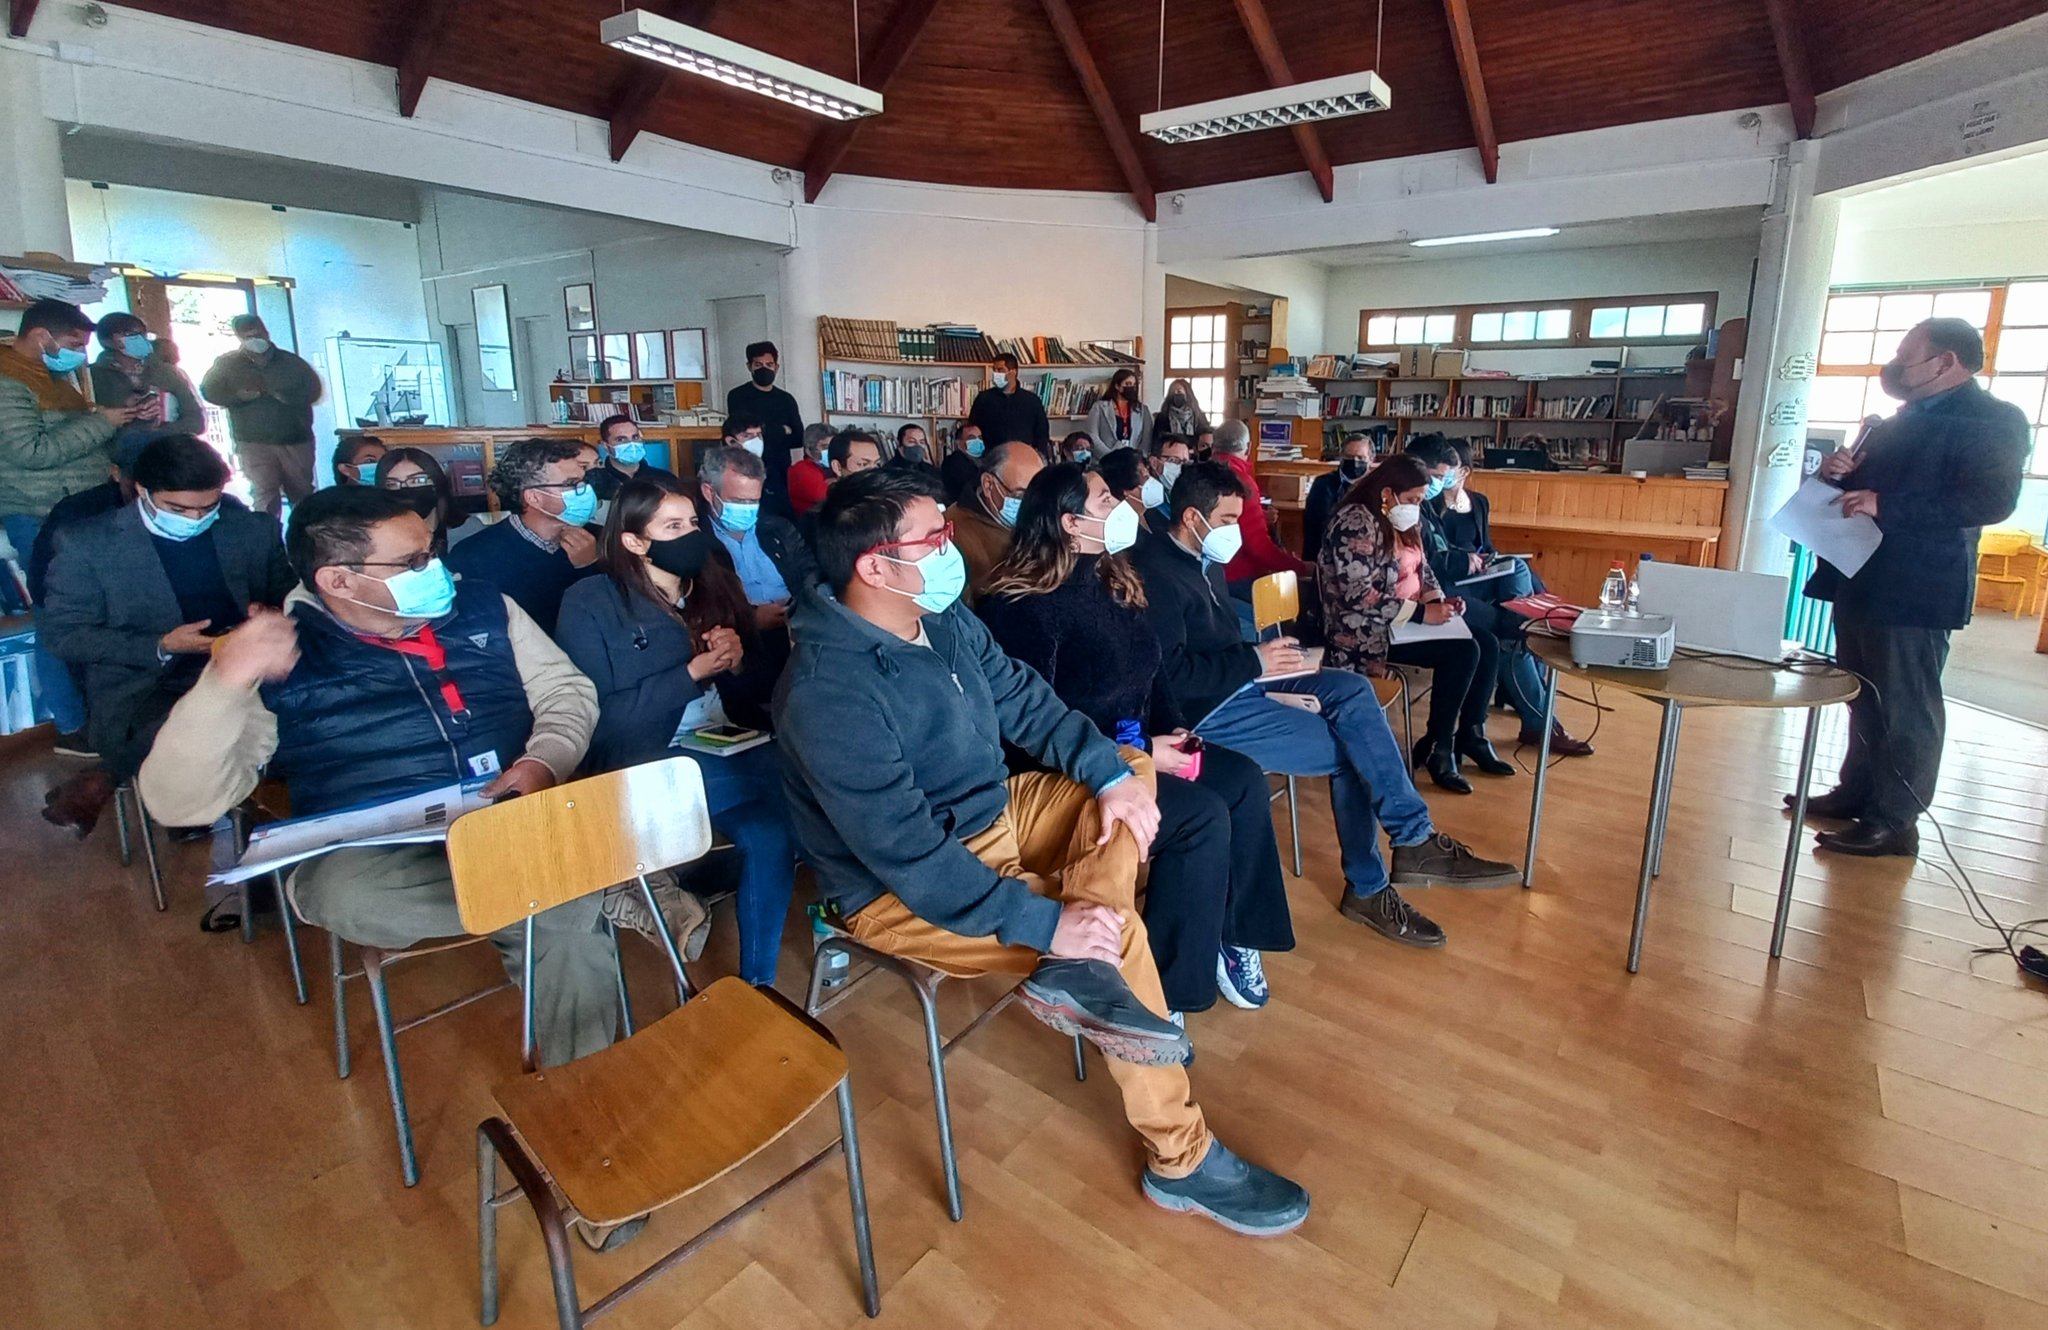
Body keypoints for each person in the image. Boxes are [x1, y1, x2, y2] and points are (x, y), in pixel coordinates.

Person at [776, 467, 1310, 1236]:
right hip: (898, 890)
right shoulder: (827, 693)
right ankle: (1183, 1159)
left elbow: (1025, 697)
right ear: (875, 565)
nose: (952, 546)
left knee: (1126, 768)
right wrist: (1040, 921)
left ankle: (1080, 966)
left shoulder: (941, 615)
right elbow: (910, 856)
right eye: (935, 537)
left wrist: (1106, 777)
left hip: (997, 812)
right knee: (1112, 931)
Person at [136, 486, 617, 1070]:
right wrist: (224, 683)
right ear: (337, 580)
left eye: (432, 552)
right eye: (413, 563)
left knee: (563, 908)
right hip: (378, 856)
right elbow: (178, 804)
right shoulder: (279, 655)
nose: (436, 569)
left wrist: (544, 760)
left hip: (506, 818)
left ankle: (588, 1092)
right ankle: (563, 890)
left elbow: (565, 692)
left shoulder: (486, 606)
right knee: (342, 893)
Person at [1132, 461, 1518, 948]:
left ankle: (1413, 838)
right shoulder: (1158, 576)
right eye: (1229, 521)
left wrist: (1267, 658)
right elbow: (1172, 679)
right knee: (1355, 751)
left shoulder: (1198, 559)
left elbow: (1218, 639)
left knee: (1354, 693)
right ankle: (1371, 885)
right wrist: (1255, 662)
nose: (1235, 532)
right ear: (1192, 517)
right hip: (1209, 711)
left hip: (1246, 679)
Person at [979, 464, 1294, 1014]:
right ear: (1070, 523)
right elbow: (1035, 723)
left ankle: (1233, 931)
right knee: (1197, 818)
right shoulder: (1021, 605)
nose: (1125, 507)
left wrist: (1173, 730)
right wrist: (1146, 753)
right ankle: (1165, 992)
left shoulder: (1113, 576)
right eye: (1106, 501)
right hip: (1067, 773)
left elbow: (1154, 671)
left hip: (1138, 746)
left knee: (1241, 778)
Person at [1796, 317, 2028, 858]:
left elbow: (1991, 500)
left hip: (1918, 584)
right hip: (1861, 571)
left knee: (1906, 704)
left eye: (1908, 355)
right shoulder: (1896, 421)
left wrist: (1887, 504)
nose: (1897, 366)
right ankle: (1856, 791)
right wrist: (1838, 473)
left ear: (1946, 362)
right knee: (1862, 696)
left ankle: (1895, 821)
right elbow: (1860, 488)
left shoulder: (1993, 419)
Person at [555, 475, 796, 985]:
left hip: (729, 743)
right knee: (792, 786)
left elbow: (758, 680)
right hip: (643, 759)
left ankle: (759, 983)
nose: (690, 535)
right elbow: (600, 718)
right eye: (672, 526)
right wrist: (690, 674)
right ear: (634, 541)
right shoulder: (591, 601)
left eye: (691, 523)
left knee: (773, 829)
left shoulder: (713, 582)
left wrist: (734, 660)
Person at [40, 434, 295, 841]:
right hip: (147, 681)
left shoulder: (250, 529)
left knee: (292, 722)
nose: (195, 518)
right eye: (178, 509)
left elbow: (288, 594)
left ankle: (106, 776)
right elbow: (65, 636)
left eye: (207, 507)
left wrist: (269, 612)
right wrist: (162, 644)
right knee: (191, 720)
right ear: (142, 490)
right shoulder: (88, 543)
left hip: (248, 667)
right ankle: (257, 849)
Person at [1317, 455, 1512, 794]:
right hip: (1364, 630)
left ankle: (1471, 734)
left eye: (1421, 500)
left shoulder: (1402, 517)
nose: (1417, 506)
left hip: (1402, 619)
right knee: (1463, 652)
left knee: (1488, 644)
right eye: (1413, 500)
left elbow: (1423, 568)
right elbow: (1355, 595)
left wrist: (1436, 599)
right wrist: (1422, 614)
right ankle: (1440, 747)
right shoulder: (1355, 522)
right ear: (1387, 492)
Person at [1, 297, 144, 754]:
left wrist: (113, 423)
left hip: (75, 508)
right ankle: (71, 723)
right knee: (57, 619)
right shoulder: (7, 382)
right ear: (41, 335)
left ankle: (101, 712)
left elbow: (64, 438)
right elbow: (32, 453)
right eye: (72, 343)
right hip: (41, 514)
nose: (78, 353)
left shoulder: (51, 376)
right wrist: (101, 423)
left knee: (93, 614)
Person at [1426, 438, 1592, 757]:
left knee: (1517, 568)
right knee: (1515, 635)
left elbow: (1486, 546)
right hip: (1448, 587)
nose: (1445, 479)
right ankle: (1540, 721)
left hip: (1480, 579)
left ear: (1465, 472)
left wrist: (1489, 561)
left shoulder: (1479, 502)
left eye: (1452, 472)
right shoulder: (1427, 506)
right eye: (1440, 473)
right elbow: (1434, 560)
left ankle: (1525, 626)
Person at [444, 437, 600, 636]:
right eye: (571, 484)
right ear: (534, 497)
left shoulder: (599, 537)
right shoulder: (473, 556)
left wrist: (590, 566)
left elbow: (616, 615)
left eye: (583, 481)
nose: (585, 491)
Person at [199, 314, 323, 516]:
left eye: (258, 334)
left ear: (266, 332)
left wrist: (287, 397)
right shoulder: (227, 364)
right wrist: (238, 396)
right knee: (264, 493)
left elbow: (314, 391)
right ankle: (268, 540)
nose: (255, 339)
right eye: (248, 336)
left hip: (295, 440)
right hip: (253, 441)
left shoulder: (292, 362)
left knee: (302, 493)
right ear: (239, 337)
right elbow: (209, 391)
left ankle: (306, 538)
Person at [697, 444, 813, 631]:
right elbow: (698, 605)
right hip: (738, 637)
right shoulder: (696, 540)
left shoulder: (779, 529)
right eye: (738, 501)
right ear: (709, 492)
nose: (747, 508)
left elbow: (811, 574)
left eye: (753, 501)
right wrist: (750, 619)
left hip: (796, 627)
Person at [1210, 420, 1311, 598]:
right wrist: (1300, 567)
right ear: (1248, 448)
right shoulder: (1242, 482)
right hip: (1236, 578)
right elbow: (1258, 546)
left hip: (1205, 573)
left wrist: (1260, 517)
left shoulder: (1199, 474)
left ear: (1213, 446)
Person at [951, 441, 1043, 605]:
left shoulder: (1040, 517)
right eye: (1020, 496)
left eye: (1036, 495)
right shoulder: (954, 534)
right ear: (988, 485)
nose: (1031, 505)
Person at [89, 313, 202, 436]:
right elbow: (88, 424)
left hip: (167, 448)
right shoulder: (93, 377)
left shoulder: (166, 372)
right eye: (136, 335)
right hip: (116, 451)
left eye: (144, 335)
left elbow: (197, 422)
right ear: (115, 340)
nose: (144, 341)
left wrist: (159, 431)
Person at [724, 341, 803, 516]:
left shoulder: (786, 399)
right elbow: (741, 430)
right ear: (749, 366)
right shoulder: (737, 396)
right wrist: (781, 430)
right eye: (758, 365)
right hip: (746, 466)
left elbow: (798, 437)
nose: (764, 369)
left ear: (777, 367)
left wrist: (767, 431)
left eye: (769, 365)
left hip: (779, 470)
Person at [376, 446, 475, 554]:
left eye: (416, 480)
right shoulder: (380, 539)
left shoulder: (469, 530)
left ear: (436, 481)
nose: (404, 488)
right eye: (392, 484)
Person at [1303, 433, 1373, 565]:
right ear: (1341, 458)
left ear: (1371, 460)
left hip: (1366, 560)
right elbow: (1317, 525)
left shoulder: (1376, 488)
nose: (1355, 462)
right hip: (1326, 557)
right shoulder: (1322, 485)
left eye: (1361, 457)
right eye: (1349, 457)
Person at [967, 352, 1050, 455]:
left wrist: (1037, 456)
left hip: (1023, 459)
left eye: (1000, 370)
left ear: (1013, 372)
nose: (996, 374)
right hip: (991, 459)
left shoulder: (1032, 401)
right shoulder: (984, 399)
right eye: (994, 370)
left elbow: (1042, 434)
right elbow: (972, 428)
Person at [586, 413, 679, 501]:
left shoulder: (665, 479)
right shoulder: (595, 481)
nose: (631, 444)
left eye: (635, 437)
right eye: (621, 439)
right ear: (605, 446)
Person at [1097, 446, 1167, 540]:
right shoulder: (1121, 530)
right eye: (1143, 477)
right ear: (1125, 490)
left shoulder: (1154, 513)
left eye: (1147, 473)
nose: (1150, 480)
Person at [1087, 367, 1153, 454]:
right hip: (1106, 459)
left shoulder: (1143, 410)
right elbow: (1093, 436)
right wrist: (1109, 456)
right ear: (1117, 386)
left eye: (1134, 385)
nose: (1131, 387)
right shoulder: (1099, 407)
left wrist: (1138, 458)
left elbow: (1146, 440)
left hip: (1133, 459)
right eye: (1128, 384)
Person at [787, 422, 834, 517]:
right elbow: (823, 495)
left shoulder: (831, 466)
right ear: (809, 450)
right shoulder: (801, 469)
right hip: (810, 525)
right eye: (824, 447)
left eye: (832, 446)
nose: (830, 450)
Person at [1156, 378, 1208, 445]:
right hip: (1171, 453)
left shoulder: (1199, 417)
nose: (1175, 394)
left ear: (1187, 393)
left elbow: (1205, 438)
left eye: (1179, 391)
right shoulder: (1162, 417)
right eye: (1172, 392)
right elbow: (1157, 440)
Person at [939, 426, 983, 505]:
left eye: (980, 438)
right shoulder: (953, 462)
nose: (977, 441)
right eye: (971, 438)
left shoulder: (981, 460)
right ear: (958, 442)